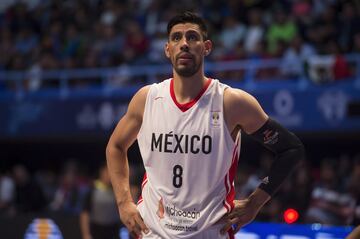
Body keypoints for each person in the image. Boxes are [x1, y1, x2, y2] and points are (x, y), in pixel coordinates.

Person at [106, 11, 305, 239]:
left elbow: (291, 149)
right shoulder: (147, 99)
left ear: (206, 47)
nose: (184, 44)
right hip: (152, 232)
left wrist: (254, 203)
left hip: (210, 233)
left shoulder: (232, 102)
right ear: (167, 49)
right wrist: (123, 202)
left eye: (192, 37)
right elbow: (115, 147)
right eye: (176, 38)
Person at [80, 163, 121, 239]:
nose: (110, 175)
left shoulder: (118, 190)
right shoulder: (92, 189)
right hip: (96, 230)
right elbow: (85, 214)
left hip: (113, 231)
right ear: (102, 172)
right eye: (107, 171)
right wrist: (86, 234)